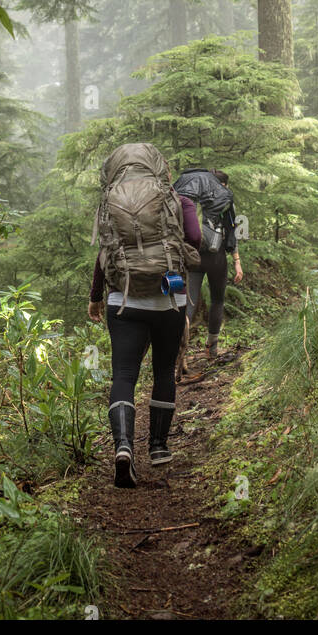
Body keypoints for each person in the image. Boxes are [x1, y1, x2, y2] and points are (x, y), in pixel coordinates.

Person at [88, 142, 201, 488]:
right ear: (159, 169)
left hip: (123, 300)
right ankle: (158, 447)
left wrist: (95, 298)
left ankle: (123, 446)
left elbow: (104, 254)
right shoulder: (177, 200)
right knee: (164, 369)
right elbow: (196, 240)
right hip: (169, 298)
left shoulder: (110, 201)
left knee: (123, 373)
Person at [172, 166, 243, 362]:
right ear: (224, 184)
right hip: (216, 256)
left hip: (192, 255)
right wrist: (237, 262)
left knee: (189, 302)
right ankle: (211, 349)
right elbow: (232, 233)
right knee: (217, 300)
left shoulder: (191, 199)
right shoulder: (224, 198)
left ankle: (180, 350)